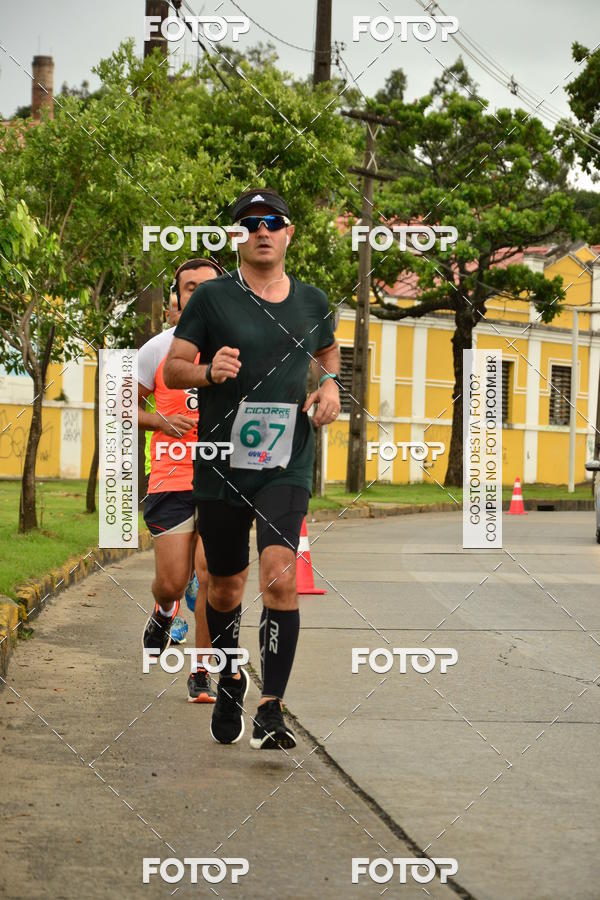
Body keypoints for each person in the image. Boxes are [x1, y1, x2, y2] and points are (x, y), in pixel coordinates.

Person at [164, 188, 341, 750]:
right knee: (223, 587)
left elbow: (329, 353)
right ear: (237, 236)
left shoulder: (313, 301)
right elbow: (171, 369)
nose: (261, 229)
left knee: (279, 575)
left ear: (289, 233)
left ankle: (271, 707)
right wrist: (208, 371)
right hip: (220, 462)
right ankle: (231, 676)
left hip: (287, 458)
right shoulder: (212, 298)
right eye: (249, 222)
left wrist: (334, 385)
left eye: (273, 221)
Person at [138, 258, 223, 703]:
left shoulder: (237, 347)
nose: (199, 296)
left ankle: (201, 671)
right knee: (173, 580)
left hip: (221, 480)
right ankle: (164, 609)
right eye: (190, 288)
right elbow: (118, 408)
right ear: (177, 297)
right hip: (170, 479)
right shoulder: (157, 349)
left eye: (208, 288)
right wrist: (157, 420)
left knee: (209, 574)